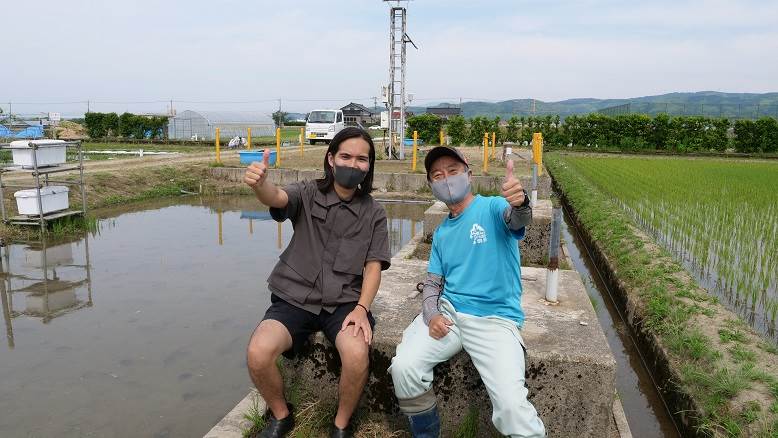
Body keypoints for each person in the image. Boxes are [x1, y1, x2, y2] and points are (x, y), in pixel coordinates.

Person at [244, 127, 391, 438]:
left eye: (362, 159)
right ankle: (282, 415)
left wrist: (362, 308)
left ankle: (340, 424)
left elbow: (373, 267)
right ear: (331, 158)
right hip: (295, 298)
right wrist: (261, 184)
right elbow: (278, 198)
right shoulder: (308, 192)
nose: (353, 164)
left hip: (344, 303)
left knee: (355, 354)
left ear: (369, 166)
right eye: (346, 156)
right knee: (258, 352)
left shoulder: (374, 213)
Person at [389, 146, 545, 438]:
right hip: (450, 314)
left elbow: (517, 219)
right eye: (437, 175)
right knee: (405, 368)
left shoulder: (493, 207)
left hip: (495, 319)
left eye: (453, 171)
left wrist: (521, 202)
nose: (446, 179)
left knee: (511, 406)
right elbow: (433, 284)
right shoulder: (442, 234)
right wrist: (432, 314)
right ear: (431, 185)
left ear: (468, 175)